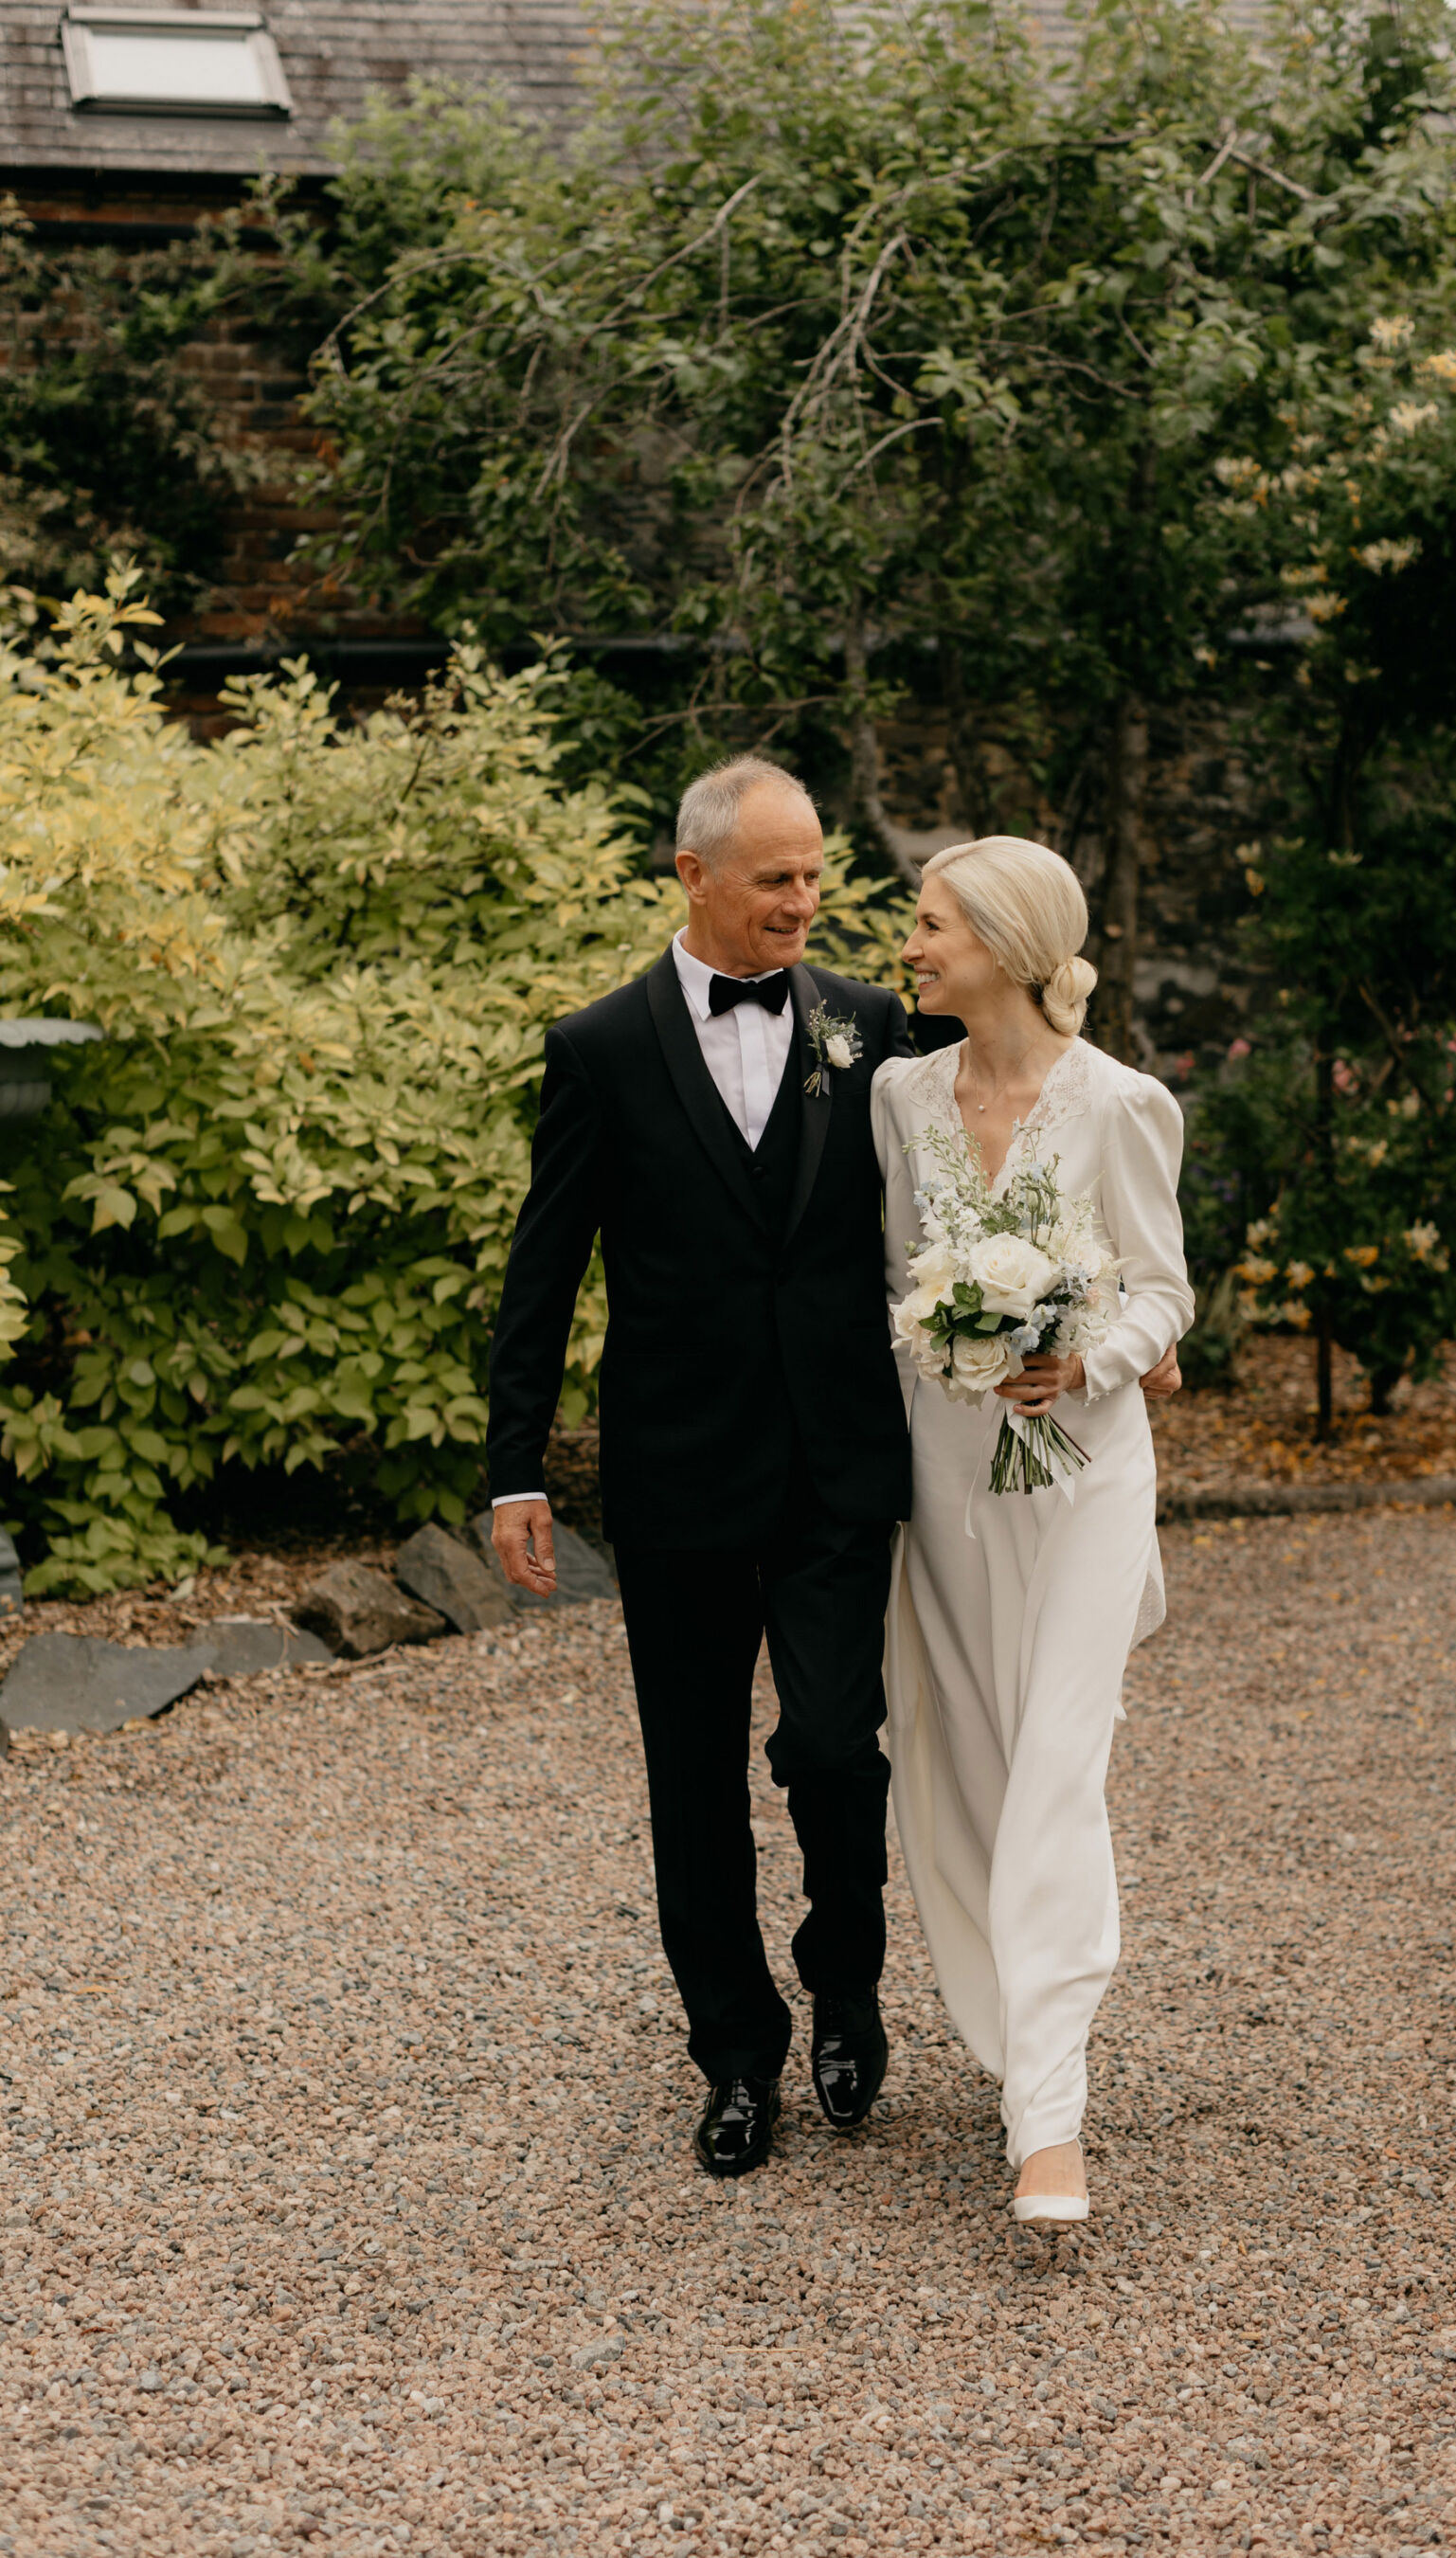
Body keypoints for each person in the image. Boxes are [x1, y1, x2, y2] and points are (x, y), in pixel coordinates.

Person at [485, 755, 913, 2178]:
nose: (805, 902)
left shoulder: (870, 1025)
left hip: (839, 1468)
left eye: (814, 876)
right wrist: (515, 1468)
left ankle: (846, 1984)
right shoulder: (599, 1048)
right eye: (778, 879)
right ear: (695, 876)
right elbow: (542, 1272)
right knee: (691, 1782)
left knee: (839, 1749)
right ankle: (736, 2055)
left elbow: (961, 1199)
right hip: (675, 1473)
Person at [872, 837, 1191, 2225]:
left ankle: (1047, 2122)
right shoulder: (896, 1096)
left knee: (1059, 1766)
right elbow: (892, 1272)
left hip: (1086, 1480)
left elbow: (1167, 1292)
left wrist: (1089, 1359)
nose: (911, 944)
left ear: (1002, 942)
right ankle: (1011, 2049)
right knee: (973, 1769)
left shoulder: (1121, 1103)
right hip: (945, 1480)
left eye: (932, 923)